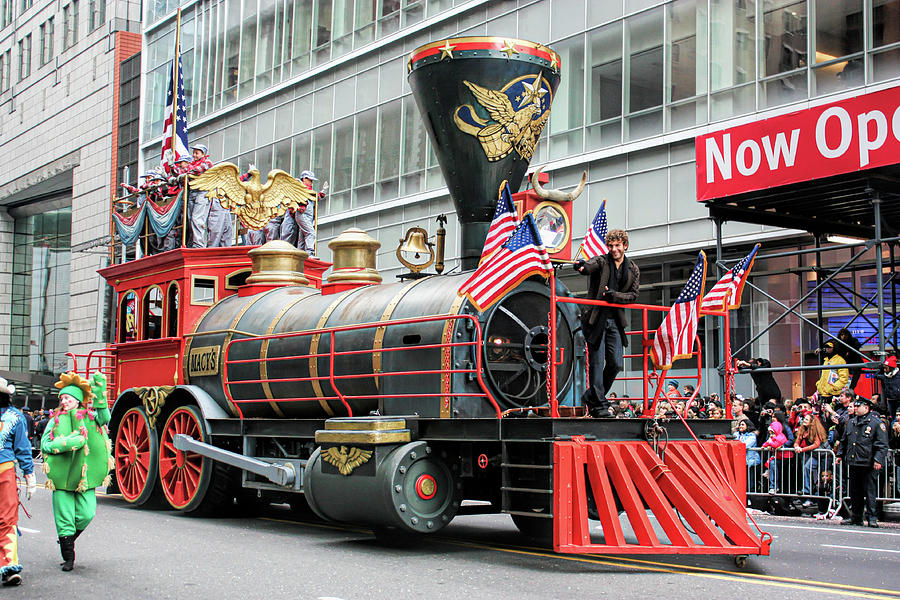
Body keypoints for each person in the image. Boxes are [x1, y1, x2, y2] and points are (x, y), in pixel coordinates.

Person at [41, 372, 112, 571]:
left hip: (85, 478)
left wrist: (100, 392)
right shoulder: (55, 420)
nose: (64, 401)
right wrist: (67, 443)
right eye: (62, 398)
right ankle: (68, 557)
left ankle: (68, 539)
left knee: (87, 514)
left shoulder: (90, 417)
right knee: (64, 518)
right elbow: (45, 444)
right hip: (62, 478)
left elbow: (105, 417)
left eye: (68, 398)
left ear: (78, 401)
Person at [573, 229, 640, 417]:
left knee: (616, 363)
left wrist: (615, 296)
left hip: (615, 321)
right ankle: (600, 404)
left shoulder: (633, 268)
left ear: (625, 246)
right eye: (610, 246)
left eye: (617, 246)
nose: (614, 249)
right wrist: (581, 266)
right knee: (596, 361)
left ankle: (591, 396)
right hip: (595, 319)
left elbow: (633, 295)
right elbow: (589, 266)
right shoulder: (602, 261)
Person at [0, 377, 36, 586]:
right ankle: (9, 565)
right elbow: (22, 449)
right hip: (5, 471)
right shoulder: (16, 417)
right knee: (7, 520)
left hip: (5, 470)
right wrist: (29, 475)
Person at [838, 397, 889, 527]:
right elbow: (844, 440)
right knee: (855, 491)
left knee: (870, 491)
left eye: (857, 407)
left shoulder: (876, 423)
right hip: (855, 461)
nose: (854, 409)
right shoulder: (851, 422)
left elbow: (882, 445)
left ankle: (872, 517)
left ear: (866, 408)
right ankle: (856, 517)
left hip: (869, 462)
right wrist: (840, 455)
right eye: (854, 406)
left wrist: (878, 460)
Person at [793, 411, 828, 507]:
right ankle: (807, 492)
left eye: (807, 419)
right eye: (804, 419)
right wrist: (796, 446)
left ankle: (812, 494)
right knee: (807, 469)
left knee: (812, 471)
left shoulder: (815, 430)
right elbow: (797, 441)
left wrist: (802, 449)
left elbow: (816, 444)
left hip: (821, 455)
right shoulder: (803, 430)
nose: (804, 420)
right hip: (812, 455)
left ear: (812, 422)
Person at [290, 170, 327, 255]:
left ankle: (300, 254)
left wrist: (323, 191)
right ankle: (310, 252)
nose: (311, 182)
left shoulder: (310, 191)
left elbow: (316, 197)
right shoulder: (300, 189)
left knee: (303, 237)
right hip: (302, 214)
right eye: (310, 180)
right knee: (311, 233)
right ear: (304, 179)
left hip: (309, 216)